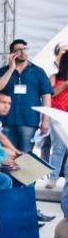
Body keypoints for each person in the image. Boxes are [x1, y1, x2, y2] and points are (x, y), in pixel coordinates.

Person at [0, 39, 53, 153]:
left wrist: (46, 120)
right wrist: (11, 69)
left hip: (29, 120)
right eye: (19, 50)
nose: (23, 52)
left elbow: (46, 96)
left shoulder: (38, 71)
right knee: (8, 154)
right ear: (12, 54)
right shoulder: (3, 71)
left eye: (25, 49)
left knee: (26, 155)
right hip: (6, 120)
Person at [47, 52, 68, 188]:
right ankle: (53, 177)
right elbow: (49, 94)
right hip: (57, 115)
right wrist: (63, 86)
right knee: (58, 148)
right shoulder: (55, 77)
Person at [0, 91, 21, 159]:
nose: (6, 106)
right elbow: (1, 137)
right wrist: (16, 152)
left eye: (9, 104)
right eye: (3, 102)